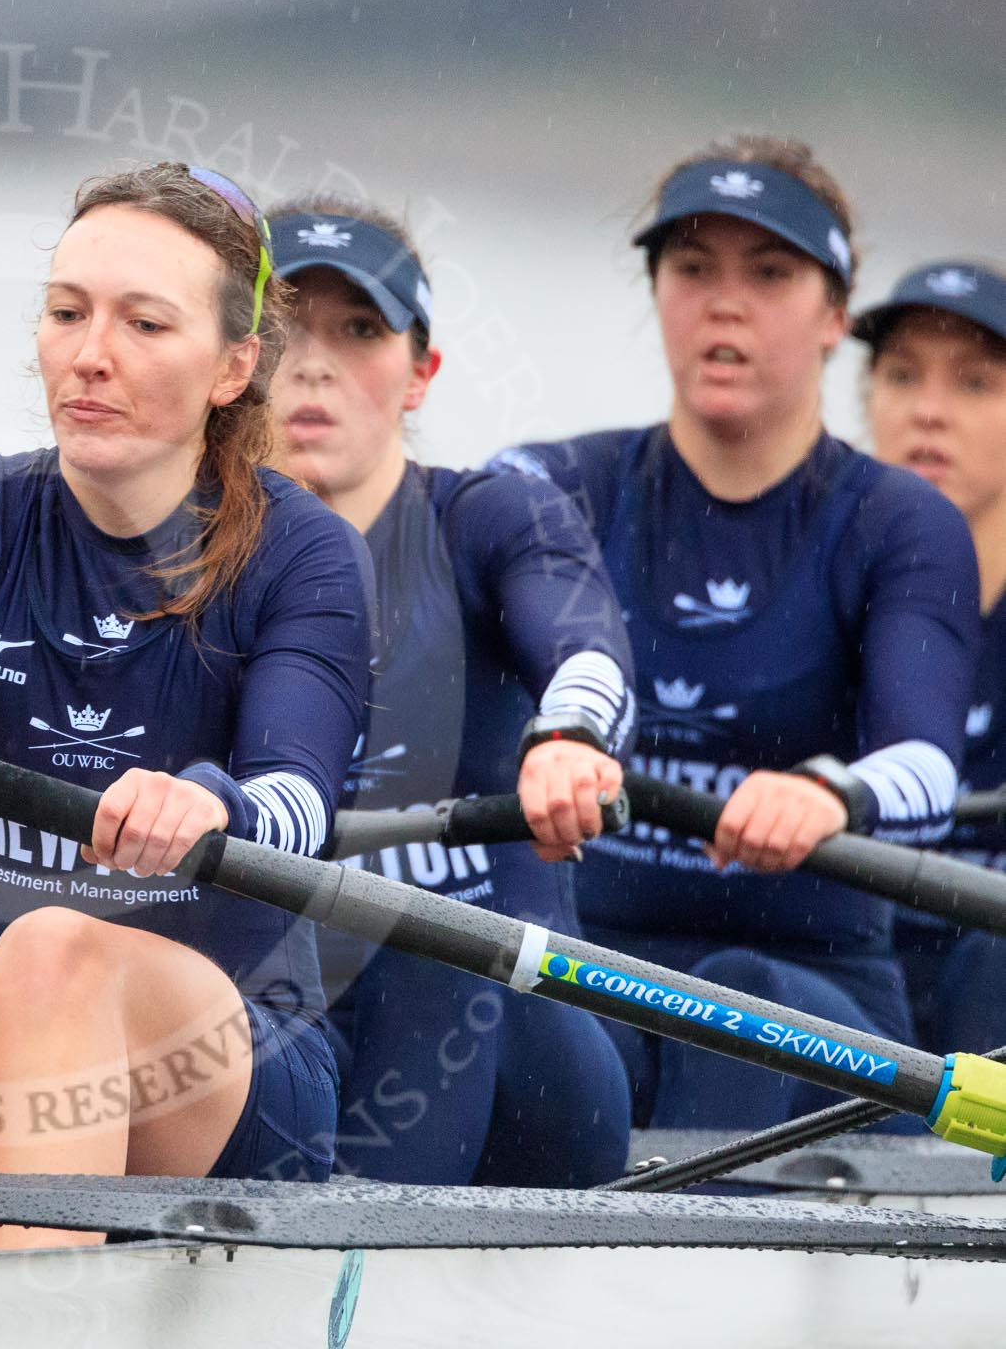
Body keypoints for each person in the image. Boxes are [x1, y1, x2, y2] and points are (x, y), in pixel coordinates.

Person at [0, 163, 371, 1248]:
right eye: (67, 312)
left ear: (233, 365)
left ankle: (12, 1311)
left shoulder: (305, 554)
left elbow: (299, 802)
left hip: (238, 1067)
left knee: (53, 950)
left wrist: (215, 805)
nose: (89, 353)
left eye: (143, 322)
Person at [493, 136, 980, 1131]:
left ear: (836, 314)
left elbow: (927, 773)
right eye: (694, 268)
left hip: (823, 1005)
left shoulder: (900, 520)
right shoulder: (553, 486)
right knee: (493, 1004)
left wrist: (829, 791)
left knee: (741, 988)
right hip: (600, 969)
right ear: (659, 293)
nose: (726, 301)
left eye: (768, 273)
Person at [265, 197, 633, 1185]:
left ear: (421, 373)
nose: (313, 362)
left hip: (525, 1050)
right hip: (302, 1031)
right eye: (282, 325)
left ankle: (347, 1286)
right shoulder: (175, 554)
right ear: (229, 358)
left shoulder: (494, 517)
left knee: (428, 950)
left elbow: (586, 648)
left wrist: (569, 734)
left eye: (359, 330)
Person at [857, 259, 1006, 1054]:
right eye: (902, 376)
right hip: (847, 973)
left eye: (975, 384)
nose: (929, 412)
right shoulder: (814, 586)